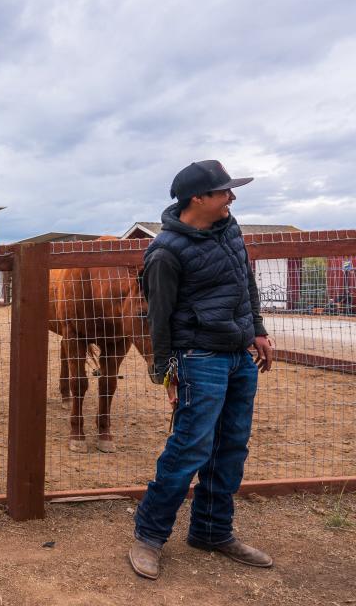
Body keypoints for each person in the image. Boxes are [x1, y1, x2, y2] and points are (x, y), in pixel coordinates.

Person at [129, 160, 276, 580]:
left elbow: (244, 281)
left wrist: (259, 330)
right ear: (199, 199)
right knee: (189, 448)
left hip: (238, 356)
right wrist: (167, 375)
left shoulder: (229, 227)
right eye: (224, 191)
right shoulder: (164, 253)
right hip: (200, 360)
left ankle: (212, 531)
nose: (232, 197)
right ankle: (149, 535)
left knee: (231, 445)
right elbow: (160, 320)